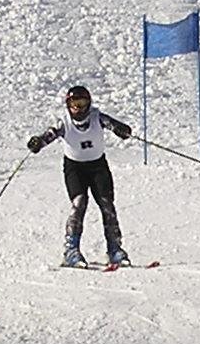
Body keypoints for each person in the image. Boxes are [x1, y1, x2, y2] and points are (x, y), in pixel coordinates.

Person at [26, 84, 134, 267]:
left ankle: (115, 249)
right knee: (79, 202)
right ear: (68, 104)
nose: (79, 107)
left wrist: (122, 130)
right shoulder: (64, 122)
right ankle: (71, 250)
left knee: (106, 203)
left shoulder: (97, 117)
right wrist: (38, 143)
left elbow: (115, 126)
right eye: (75, 103)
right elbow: (49, 135)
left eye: (82, 103)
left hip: (98, 166)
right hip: (74, 168)